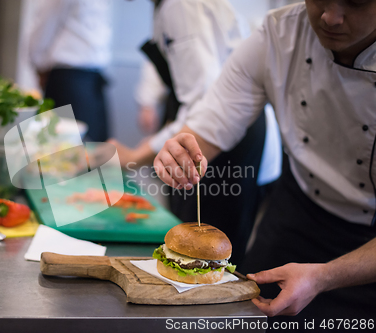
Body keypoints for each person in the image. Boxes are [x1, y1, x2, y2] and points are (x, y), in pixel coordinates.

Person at [153, 0, 376, 325]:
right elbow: (215, 118)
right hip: (297, 212)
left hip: (367, 245)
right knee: (243, 321)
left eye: (354, 4)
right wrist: (180, 153)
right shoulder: (278, 33)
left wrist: (324, 276)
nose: (331, 17)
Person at [110, 0, 281, 266]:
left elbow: (205, 102)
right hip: (226, 132)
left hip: (224, 142)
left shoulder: (182, 5)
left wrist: (135, 154)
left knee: (207, 258)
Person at [28, 0, 112, 142]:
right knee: (65, 148)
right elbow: (44, 25)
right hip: (68, 79)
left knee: (96, 149)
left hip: (93, 78)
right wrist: (39, 64)